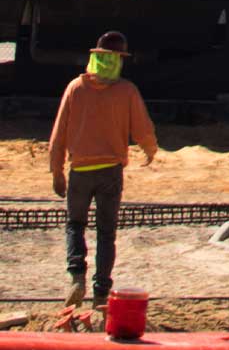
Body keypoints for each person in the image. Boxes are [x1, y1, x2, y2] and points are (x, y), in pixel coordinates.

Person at [49, 31, 158, 308]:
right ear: (119, 61)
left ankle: (76, 276)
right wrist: (150, 150)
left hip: (80, 170)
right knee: (106, 232)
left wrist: (57, 171)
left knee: (75, 225)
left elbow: (58, 134)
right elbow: (142, 129)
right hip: (110, 170)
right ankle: (101, 291)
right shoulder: (126, 91)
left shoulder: (76, 88)